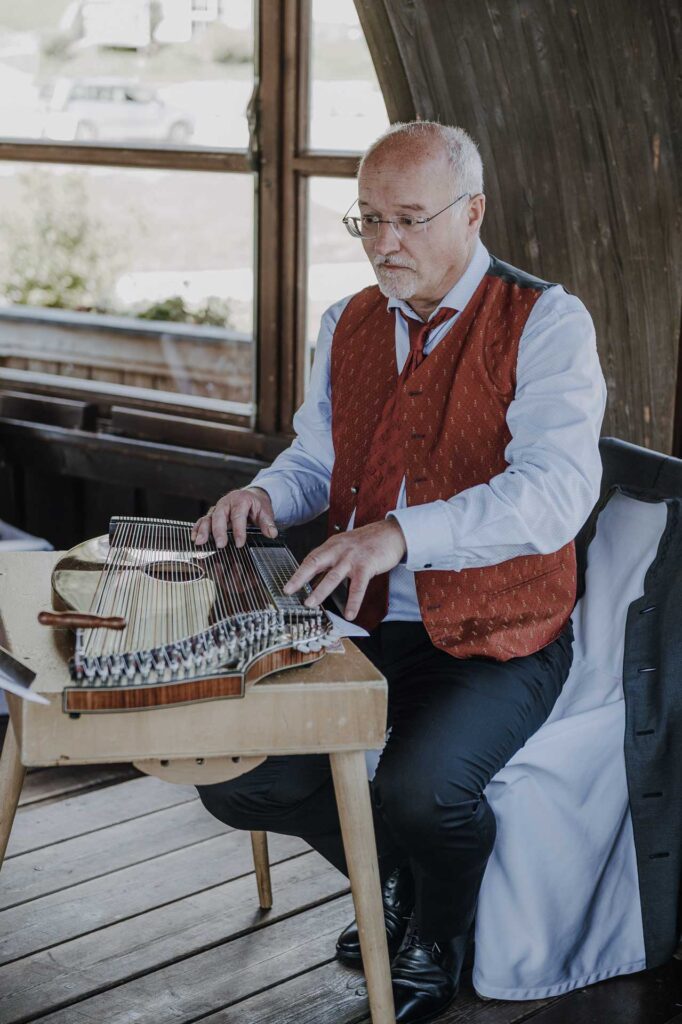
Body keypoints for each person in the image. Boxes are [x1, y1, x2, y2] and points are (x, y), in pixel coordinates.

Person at [192, 120, 607, 1023]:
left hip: (501, 631)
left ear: (473, 212)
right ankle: (392, 887)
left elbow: (554, 494)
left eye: (409, 219)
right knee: (236, 776)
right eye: (368, 219)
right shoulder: (348, 321)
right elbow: (315, 458)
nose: (385, 243)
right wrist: (265, 495)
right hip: (358, 622)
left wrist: (398, 535)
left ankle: (435, 932)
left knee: (422, 792)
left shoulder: (547, 321)